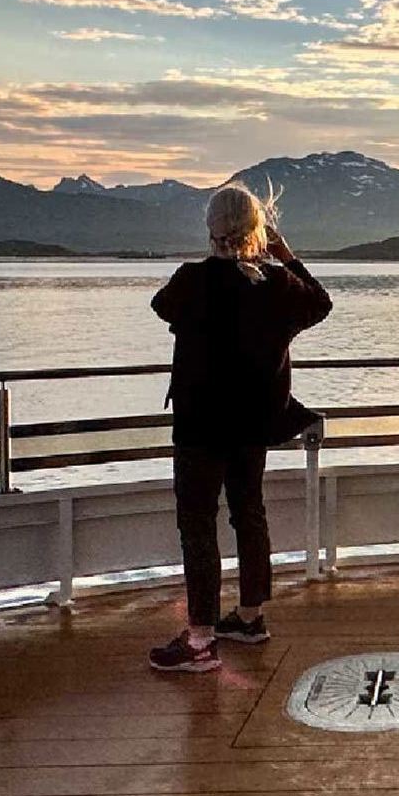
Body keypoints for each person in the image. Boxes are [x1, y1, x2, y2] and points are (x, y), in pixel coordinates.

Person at [146, 183, 332, 673]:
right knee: (248, 514)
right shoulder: (278, 286)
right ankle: (249, 618)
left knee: (197, 524)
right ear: (260, 231)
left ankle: (200, 639)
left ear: (211, 229)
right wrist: (285, 255)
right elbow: (321, 303)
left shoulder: (192, 281)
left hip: (200, 426)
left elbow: (161, 306)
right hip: (253, 425)